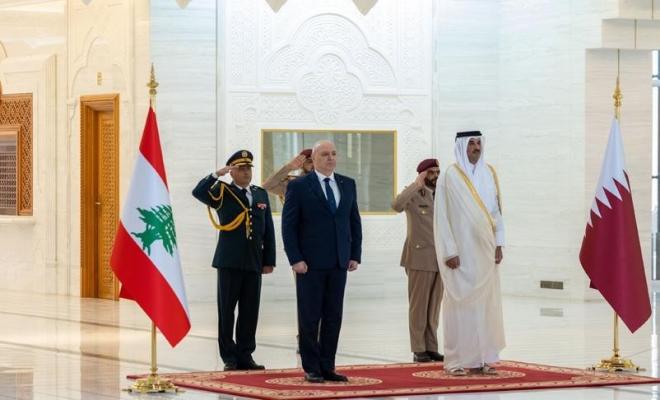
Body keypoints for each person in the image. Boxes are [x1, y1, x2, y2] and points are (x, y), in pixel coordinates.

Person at [281, 140, 362, 383]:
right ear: (314, 158)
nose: (330, 158)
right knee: (309, 316)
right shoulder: (299, 186)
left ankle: (328, 366)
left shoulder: (347, 184)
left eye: (334, 154)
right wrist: (295, 258)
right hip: (310, 263)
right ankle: (312, 367)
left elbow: (353, 221)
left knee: (333, 316)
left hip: (339, 261)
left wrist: (355, 254)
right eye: (325, 154)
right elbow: (289, 226)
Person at [192, 150, 276, 371]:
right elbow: (198, 192)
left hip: (254, 261)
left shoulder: (260, 194)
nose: (246, 172)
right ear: (232, 171)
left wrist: (269, 259)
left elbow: (268, 229)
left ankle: (245, 355)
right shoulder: (222, 191)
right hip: (229, 261)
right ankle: (229, 357)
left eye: (249, 168)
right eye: (241, 168)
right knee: (227, 310)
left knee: (250, 311)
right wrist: (216, 175)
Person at [433, 131, 505, 376]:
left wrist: (499, 243)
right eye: (471, 143)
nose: (475, 147)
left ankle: (484, 358)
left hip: (485, 249)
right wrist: (449, 251)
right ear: (461, 146)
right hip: (460, 252)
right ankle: (455, 360)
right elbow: (442, 216)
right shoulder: (449, 176)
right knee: (459, 305)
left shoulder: (489, 173)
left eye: (478, 143)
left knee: (485, 305)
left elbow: (496, 213)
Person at [392, 158, 444, 363]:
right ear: (422, 174)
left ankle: (431, 347)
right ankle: (418, 348)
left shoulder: (443, 195)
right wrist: (416, 184)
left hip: (441, 259)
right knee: (419, 306)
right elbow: (396, 205)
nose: (435, 176)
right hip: (419, 258)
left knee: (434, 306)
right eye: (431, 172)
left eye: (437, 172)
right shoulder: (414, 194)